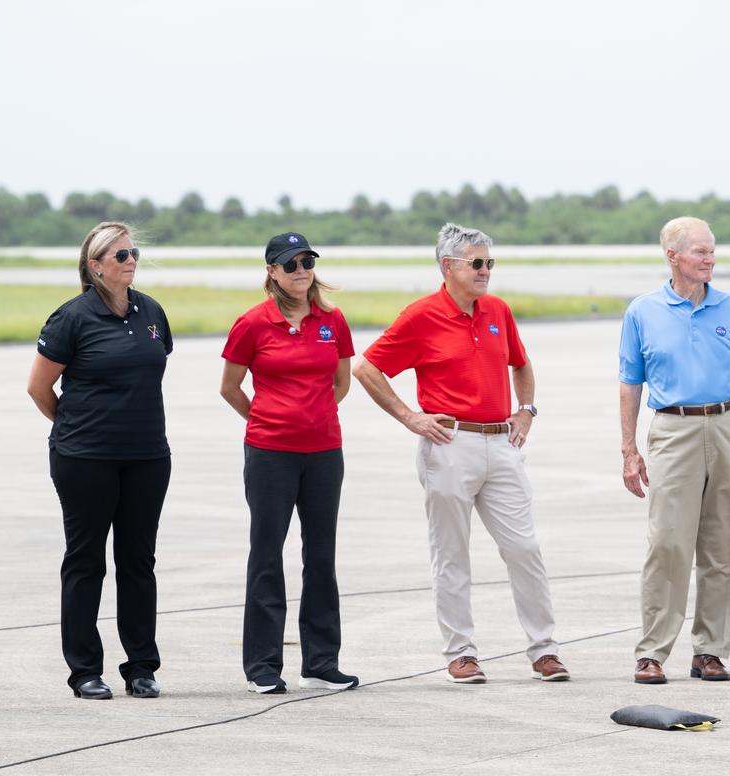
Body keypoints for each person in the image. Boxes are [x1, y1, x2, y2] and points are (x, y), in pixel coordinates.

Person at [353, 222, 569, 684]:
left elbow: (521, 362)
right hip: (450, 444)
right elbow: (366, 368)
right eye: (477, 263)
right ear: (448, 266)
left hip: (502, 442)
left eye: (490, 262)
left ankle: (544, 649)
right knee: (452, 554)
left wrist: (526, 409)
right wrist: (410, 416)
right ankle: (462, 652)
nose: (486, 271)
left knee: (524, 547)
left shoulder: (497, 310)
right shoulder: (421, 316)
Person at [618, 216, 730, 684]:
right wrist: (629, 449)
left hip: (728, 425)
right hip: (673, 428)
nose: (710, 259)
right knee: (668, 542)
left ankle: (711, 649)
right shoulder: (643, 311)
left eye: (712, 251)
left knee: (724, 544)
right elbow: (630, 384)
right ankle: (652, 651)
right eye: (700, 252)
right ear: (673, 256)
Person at [27, 222, 173, 700]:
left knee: (138, 561)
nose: (130, 261)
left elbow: (150, 371)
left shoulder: (151, 311)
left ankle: (141, 668)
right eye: (119, 255)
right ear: (95, 266)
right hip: (85, 458)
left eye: (133, 253)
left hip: (147, 456)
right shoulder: (72, 317)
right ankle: (85, 669)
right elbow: (39, 388)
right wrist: (74, 429)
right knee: (86, 561)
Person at [220, 232, 358, 695]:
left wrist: (314, 416)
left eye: (307, 262)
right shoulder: (253, 323)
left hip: (323, 452)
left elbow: (342, 383)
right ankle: (262, 664)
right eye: (291, 263)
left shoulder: (332, 320)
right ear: (272, 272)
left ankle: (321, 661)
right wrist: (267, 420)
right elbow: (231, 387)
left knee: (321, 555)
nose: (301, 270)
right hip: (270, 453)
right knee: (266, 554)